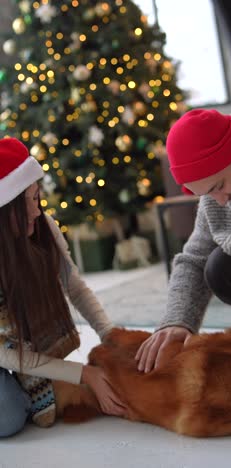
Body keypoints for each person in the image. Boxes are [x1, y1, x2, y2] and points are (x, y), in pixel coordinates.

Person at [0, 137, 127, 437]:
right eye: (29, 201)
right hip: (3, 349)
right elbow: (3, 352)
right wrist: (84, 374)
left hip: (14, 348)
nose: (37, 210)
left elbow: (75, 287)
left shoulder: (44, 227)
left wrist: (111, 336)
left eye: (37, 197)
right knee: (8, 418)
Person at [136, 108, 231, 372]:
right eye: (207, 194)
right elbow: (194, 258)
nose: (221, 201)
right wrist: (177, 321)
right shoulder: (217, 199)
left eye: (218, 186)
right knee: (219, 268)